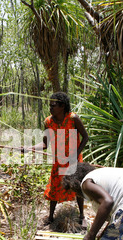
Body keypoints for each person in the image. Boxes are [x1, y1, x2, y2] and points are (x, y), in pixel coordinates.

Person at [24, 92, 89, 224]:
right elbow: (44, 144)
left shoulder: (73, 119)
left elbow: (85, 137)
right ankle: (50, 217)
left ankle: (82, 216)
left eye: (53, 105)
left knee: (77, 186)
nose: (50, 108)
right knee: (54, 187)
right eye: (50, 105)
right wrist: (28, 148)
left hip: (73, 160)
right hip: (59, 161)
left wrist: (76, 154)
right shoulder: (49, 122)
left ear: (62, 106)